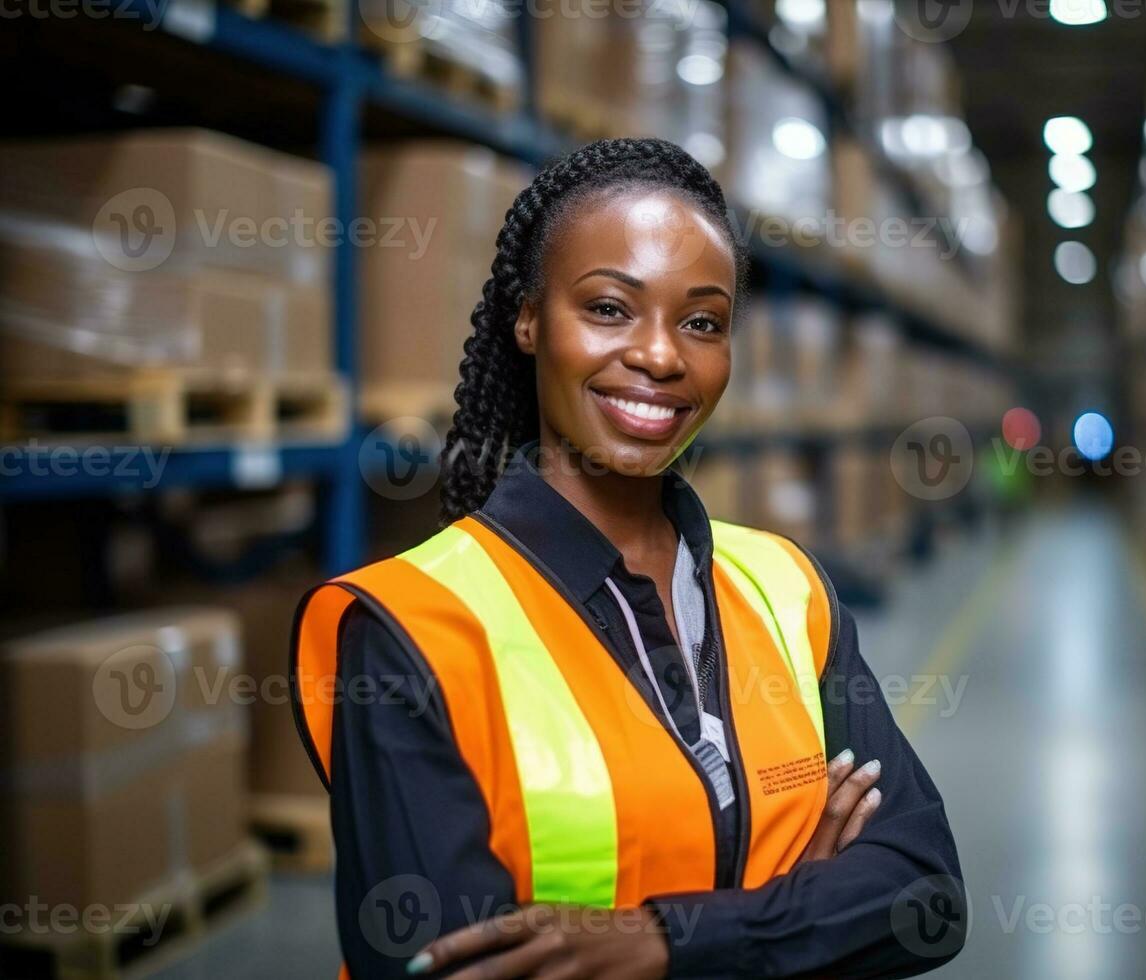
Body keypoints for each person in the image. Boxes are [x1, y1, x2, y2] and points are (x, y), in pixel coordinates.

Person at [292, 138, 965, 979]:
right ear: (529, 318)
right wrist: (802, 906)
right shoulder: (412, 630)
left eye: (702, 321)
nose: (660, 355)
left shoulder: (788, 589)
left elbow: (925, 896)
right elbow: (443, 965)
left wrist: (657, 942)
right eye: (609, 308)